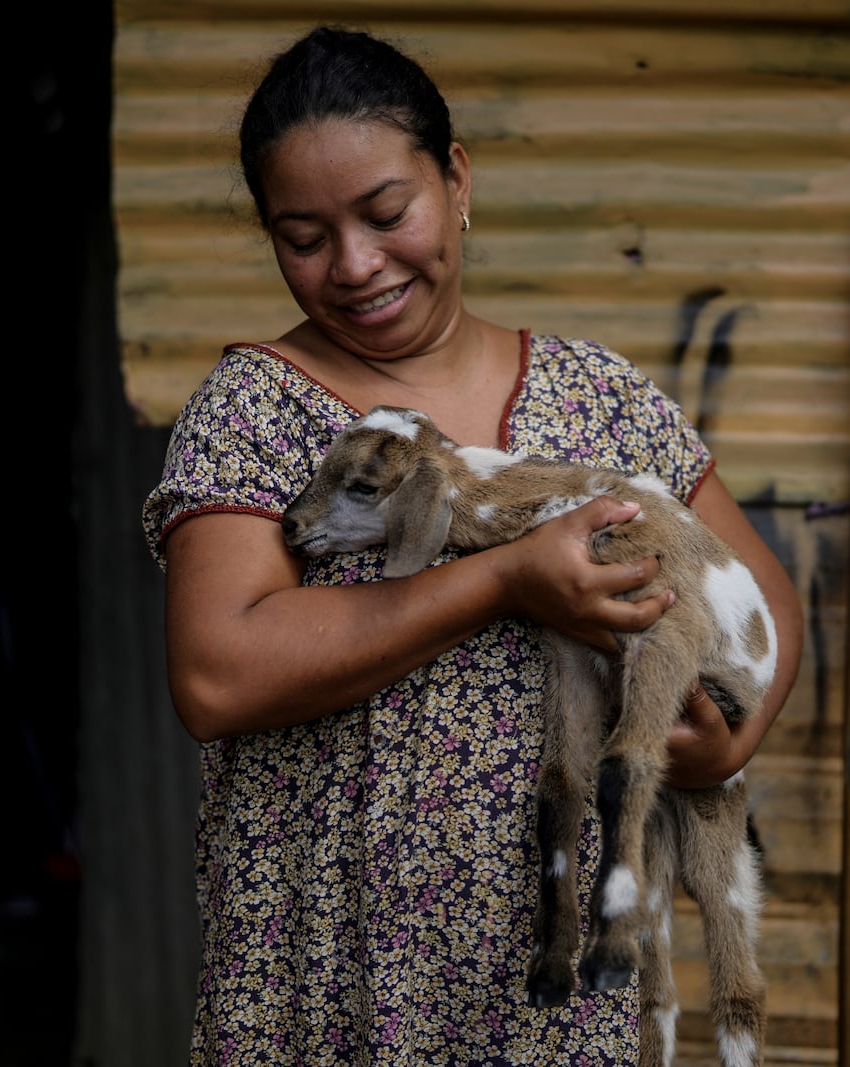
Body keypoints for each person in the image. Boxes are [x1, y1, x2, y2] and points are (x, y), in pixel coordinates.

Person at [141, 24, 803, 1066]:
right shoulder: (256, 411)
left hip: (549, 977)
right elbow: (219, 672)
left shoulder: (600, 397)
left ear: (454, 178)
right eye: (302, 236)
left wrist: (734, 730)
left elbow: (760, 595)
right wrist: (502, 580)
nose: (354, 265)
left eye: (384, 212)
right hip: (336, 963)